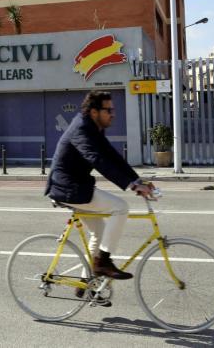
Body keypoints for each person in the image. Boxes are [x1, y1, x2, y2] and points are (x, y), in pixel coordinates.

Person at [45, 90, 154, 282]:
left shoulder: (94, 128)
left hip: (78, 186)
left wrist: (137, 181)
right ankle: (103, 262)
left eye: (113, 110)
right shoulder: (81, 128)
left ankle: (85, 283)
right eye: (108, 110)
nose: (113, 114)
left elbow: (112, 156)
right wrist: (131, 185)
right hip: (68, 188)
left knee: (99, 232)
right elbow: (97, 159)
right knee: (120, 207)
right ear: (94, 112)